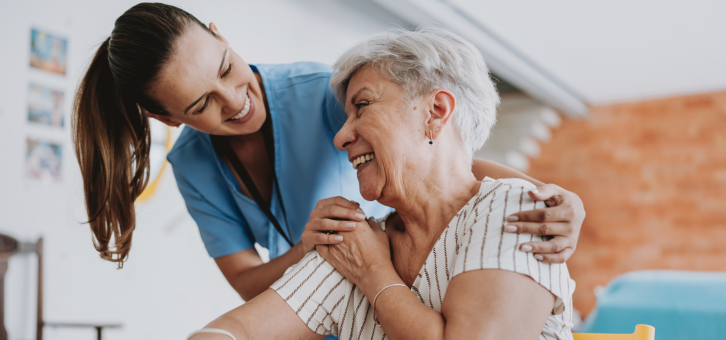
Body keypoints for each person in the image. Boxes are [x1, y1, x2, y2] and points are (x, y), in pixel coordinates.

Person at [72, 2, 584, 310]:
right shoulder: (193, 165)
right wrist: (305, 250)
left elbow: (445, 161)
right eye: (201, 104)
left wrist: (550, 197)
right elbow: (249, 282)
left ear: (221, 37)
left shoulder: (323, 92)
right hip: (314, 311)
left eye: (226, 68)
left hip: (400, 295)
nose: (235, 101)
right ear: (169, 120)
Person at [188, 26, 574, 340]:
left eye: (362, 106)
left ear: (435, 112)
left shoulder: (515, 211)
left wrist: (374, 273)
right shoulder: (356, 242)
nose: (340, 138)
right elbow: (238, 330)